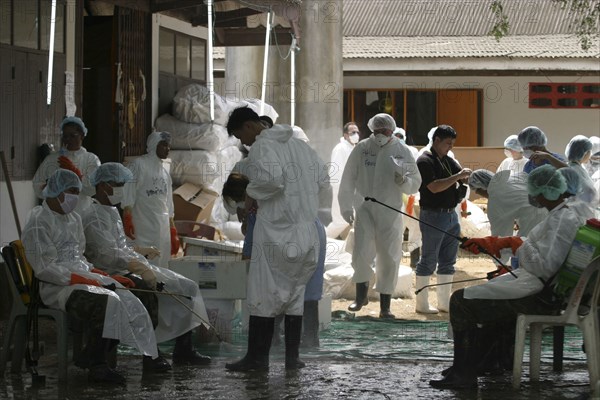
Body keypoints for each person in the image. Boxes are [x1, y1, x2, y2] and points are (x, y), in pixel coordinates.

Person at [429, 164, 594, 389]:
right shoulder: (570, 210)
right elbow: (544, 249)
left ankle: (464, 374)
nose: (530, 196)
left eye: (533, 191)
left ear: (546, 192)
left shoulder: (563, 220)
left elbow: (545, 266)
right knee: (488, 293)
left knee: (461, 301)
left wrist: (515, 244)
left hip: (542, 294)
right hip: (546, 286)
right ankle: (483, 362)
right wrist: (500, 242)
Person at [22, 169, 158, 384]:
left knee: (136, 292)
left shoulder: (73, 218)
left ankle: (97, 353)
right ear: (56, 191)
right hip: (56, 286)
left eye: (77, 191)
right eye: (71, 191)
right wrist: (80, 279)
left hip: (81, 278)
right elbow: (44, 268)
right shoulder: (39, 221)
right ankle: (98, 365)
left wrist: (101, 275)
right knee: (104, 302)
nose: (76, 197)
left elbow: (80, 258)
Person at [223, 106, 330, 372]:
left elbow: (272, 182)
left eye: (240, 135)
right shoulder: (301, 146)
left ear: (249, 126)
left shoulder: (262, 147)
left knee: (262, 294)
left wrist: (248, 194)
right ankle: (292, 359)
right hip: (306, 233)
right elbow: (323, 179)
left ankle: (257, 359)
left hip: (276, 233)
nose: (243, 142)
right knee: (294, 296)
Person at [81, 162, 211, 370]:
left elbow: (119, 244)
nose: (122, 189)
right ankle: (151, 355)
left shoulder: (111, 211)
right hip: (111, 272)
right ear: (103, 185)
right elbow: (105, 255)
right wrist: (139, 267)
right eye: (118, 184)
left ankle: (184, 349)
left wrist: (139, 250)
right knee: (150, 295)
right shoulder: (92, 216)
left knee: (187, 287)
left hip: (128, 264)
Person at [339, 113, 422, 319]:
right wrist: (345, 206)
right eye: (376, 131)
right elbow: (348, 177)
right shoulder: (362, 148)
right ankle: (360, 297)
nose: (380, 135)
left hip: (390, 210)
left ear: (391, 131)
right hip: (365, 208)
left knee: (389, 256)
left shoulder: (402, 150)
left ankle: (385, 305)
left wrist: (404, 182)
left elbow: (415, 181)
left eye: (384, 131)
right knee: (361, 252)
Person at [414, 125, 472, 314]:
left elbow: (462, 178)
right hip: (433, 214)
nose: (450, 147)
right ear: (436, 140)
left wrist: (464, 177)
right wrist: (458, 176)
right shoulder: (425, 160)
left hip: (450, 215)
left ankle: (443, 302)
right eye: (447, 143)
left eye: (452, 144)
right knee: (428, 259)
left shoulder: (447, 161)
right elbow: (434, 187)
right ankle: (421, 303)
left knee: (448, 261)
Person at [122, 131, 179, 268]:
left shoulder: (165, 173)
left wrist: (172, 229)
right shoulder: (139, 165)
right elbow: (128, 192)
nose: (168, 149)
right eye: (164, 145)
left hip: (162, 228)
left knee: (162, 262)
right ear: (154, 145)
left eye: (168, 145)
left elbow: (168, 204)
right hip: (142, 226)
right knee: (144, 264)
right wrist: (127, 217)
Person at [33, 116, 101, 213]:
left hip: (82, 212)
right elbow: (37, 183)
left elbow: (93, 189)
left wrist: (77, 174)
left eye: (72, 135)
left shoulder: (91, 159)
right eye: (65, 136)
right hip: (55, 214)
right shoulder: (52, 159)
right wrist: (49, 189)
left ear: (82, 135)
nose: (68, 139)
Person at [468, 169, 547, 238]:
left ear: (482, 187)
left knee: (527, 249)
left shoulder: (496, 199)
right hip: (548, 210)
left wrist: (498, 251)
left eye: (478, 192)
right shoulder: (514, 177)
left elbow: (501, 236)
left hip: (532, 221)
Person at [326, 122, 360, 239]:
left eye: (357, 132)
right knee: (340, 221)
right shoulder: (340, 148)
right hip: (342, 191)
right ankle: (322, 240)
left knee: (353, 221)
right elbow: (335, 172)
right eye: (353, 132)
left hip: (353, 191)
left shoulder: (353, 148)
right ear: (345, 135)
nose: (356, 134)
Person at [564, 135, 598, 206]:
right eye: (590, 152)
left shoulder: (577, 167)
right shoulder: (575, 170)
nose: (591, 155)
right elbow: (589, 194)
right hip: (582, 213)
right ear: (584, 153)